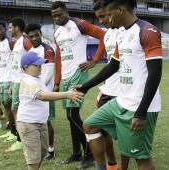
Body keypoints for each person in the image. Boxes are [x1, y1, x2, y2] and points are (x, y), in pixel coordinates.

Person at [78, 1, 162, 170]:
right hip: (121, 102)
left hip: (139, 106)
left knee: (141, 158)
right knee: (89, 125)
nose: (107, 19)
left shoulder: (148, 31)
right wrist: (86, 86)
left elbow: (155, 74)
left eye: (109, 14)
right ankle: (102, 168)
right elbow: (113, 66)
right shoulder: (122, 34)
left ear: (120, 10)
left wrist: (141, 112)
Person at [51, 1, 105, 168]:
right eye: (54, 16)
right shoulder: (57, 33)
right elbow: (59, 57)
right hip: (66, 77)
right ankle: (76, 153)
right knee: (70, 117)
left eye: (60, 14)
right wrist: (57, 81)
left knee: (72, 115)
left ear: (66, 11)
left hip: (78, 74)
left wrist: (95, 60)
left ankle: (89, 154)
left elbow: (103, 36)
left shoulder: (79, 24)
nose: (57, 18)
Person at [17, 51, 84, 170]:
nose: (40, 67)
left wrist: (68, 91)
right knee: (33, 159)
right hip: (28, 124)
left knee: (42, 153)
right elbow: (42, 96)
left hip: (41, 122)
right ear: (26, 67)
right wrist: (67, 95)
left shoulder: (37, 79)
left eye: (40, 65)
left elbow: (48, 93)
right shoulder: (27, 80)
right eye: (37, 65)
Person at [92, 1, 121, 169]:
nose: (102, 20)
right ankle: (111, 164)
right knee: (102, 131)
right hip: (108, 89)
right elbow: (111, 64)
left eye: (103, 16)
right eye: (98, 18)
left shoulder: (126, 30)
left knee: (125, 135)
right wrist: (102, 89)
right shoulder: (107, 34)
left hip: (125, 91)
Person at [24, 23, 57, 160]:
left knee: (46, 122)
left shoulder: (48, 50)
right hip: (34, 92)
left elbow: (48, 72)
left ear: (41, 34)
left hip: (45, 92)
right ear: (28, 37)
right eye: (31, 36)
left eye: (36, 35)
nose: (34, 38)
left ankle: (50, 149)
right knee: (37, 120)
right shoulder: (30, 51)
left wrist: (37, 87)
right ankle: (41, 147)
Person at [6, 17, 32, 152]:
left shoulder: (25, 41)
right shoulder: (16, 42)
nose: (9, 30)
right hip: (15, 81)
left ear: (16, 28)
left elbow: (34, 55)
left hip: (22, 81)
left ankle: (21, 140)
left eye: (11, 27)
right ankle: (18, 135)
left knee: (17, 111)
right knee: (15, 110)